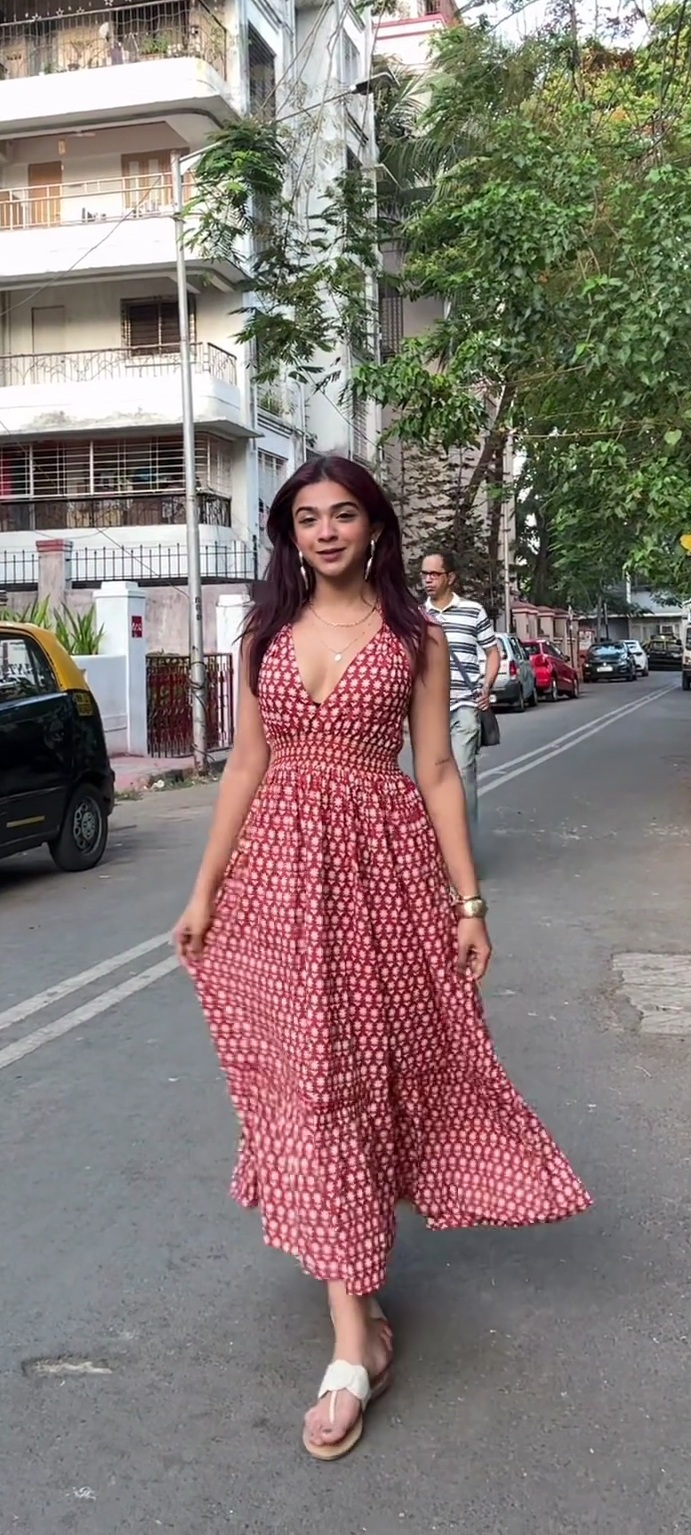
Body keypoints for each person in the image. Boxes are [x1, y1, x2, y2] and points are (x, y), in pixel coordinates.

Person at [173, 455, 591, 1463]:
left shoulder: (414, 636)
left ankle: (358, 1318)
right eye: (306, 517)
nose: (324, 531)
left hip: (384, 876)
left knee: (367, 1076)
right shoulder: (264, 632)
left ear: (373, 528)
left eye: (343, 514)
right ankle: (351, 1334)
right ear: (290, 534)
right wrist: (204, 887)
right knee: (314, 1079)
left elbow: (437, 768)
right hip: (280, 883)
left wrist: (469, 900)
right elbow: (247, 761)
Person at [421, 549, 501, 840]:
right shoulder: (417, 616)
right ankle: (438, 844)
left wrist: (486, 687)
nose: (427, 580)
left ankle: (465, 844)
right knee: (432, 776)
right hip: (430, 710)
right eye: (424, 574)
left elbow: (493, 653)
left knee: (463, 772)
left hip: (465, 704)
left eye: (434, 574)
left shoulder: (473, 611)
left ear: (450, 577)